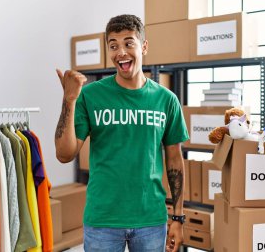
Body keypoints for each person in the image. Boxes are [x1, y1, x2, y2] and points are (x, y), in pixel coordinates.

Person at [54, 14, 189, 252]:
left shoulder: (167, 100)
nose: (121, 52)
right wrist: (69, 100)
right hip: (102, 219)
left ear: (144, 46)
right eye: (113, 45)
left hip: (150, 219)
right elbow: (65, 154)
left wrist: (177, 218)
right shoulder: (90, 95)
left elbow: (175, 160)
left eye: (129, 43)